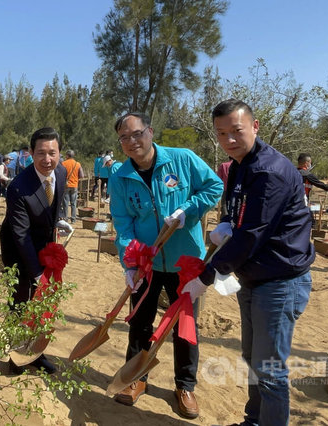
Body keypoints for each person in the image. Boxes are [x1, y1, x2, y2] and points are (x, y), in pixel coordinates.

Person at [182, 99, 314, 426]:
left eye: (236, 131)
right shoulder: (239, 165)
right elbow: (238, 213)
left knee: (270, 372)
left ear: (255, 127)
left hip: (280, 281)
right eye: (221, 133)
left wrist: (207, 276)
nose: (228, 139)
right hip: (253, 278)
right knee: (252, 360)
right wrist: (226, 221)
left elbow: (251, 234)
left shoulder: (271, 171)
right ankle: (253, 421)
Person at [109, 112, 222, 418]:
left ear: (151, 131)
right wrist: (130, 262)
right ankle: (136, 379)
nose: (133, 142)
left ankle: (185, 385)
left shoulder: (182, 160)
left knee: (184, 326)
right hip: (146, 262)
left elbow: (213, 188)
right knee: (140, 322)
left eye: (137, 134)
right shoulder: (120, 177)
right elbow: (123, 222)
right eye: (125, 138)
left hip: (185, 262)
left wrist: (189, 210)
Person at [0, 127, 71, 374]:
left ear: (59, 152)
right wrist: (38, 274)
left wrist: (57, 223)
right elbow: (20, 234)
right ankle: (16, 356)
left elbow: (53, 208)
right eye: (41, 153)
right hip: (18, 250)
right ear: (31, 153)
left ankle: (36, 353)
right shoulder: (19, 186)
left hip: (45, 246)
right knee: (21, 302)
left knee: (43, 306)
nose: (47, 159)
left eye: (52, 153)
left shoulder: (60, 172)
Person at [60, 150, 84, 222]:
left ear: (67, 155)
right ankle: (73, 219)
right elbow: (82, 175)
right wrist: (76, 179)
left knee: (65, 203)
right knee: (73, 203)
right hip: (74, 185)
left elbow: (61, 174)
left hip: (66, 185)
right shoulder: (77, 164)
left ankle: (65, 218)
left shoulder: (63, 163)